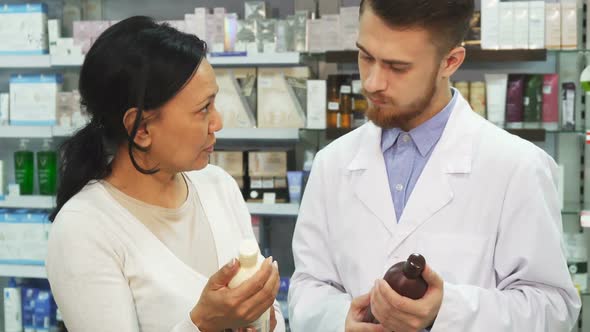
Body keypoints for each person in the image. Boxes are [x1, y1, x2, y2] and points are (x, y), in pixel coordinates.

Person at [288, 1, 581, 331]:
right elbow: (307, 288)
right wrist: (339, 321)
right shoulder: (333, 163)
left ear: (450, 61)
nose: (371, 83)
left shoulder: (517, 166)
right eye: (366, 56)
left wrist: (447, 311)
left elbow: (553, 307)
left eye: (397, 67)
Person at [46, 16, 284, 332]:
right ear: (141, 129)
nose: (218, 122)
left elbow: (271, 316)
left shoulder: (218, 186)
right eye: (204, 109)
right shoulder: (84, 229)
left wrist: (262, 318)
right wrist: (202, 324)